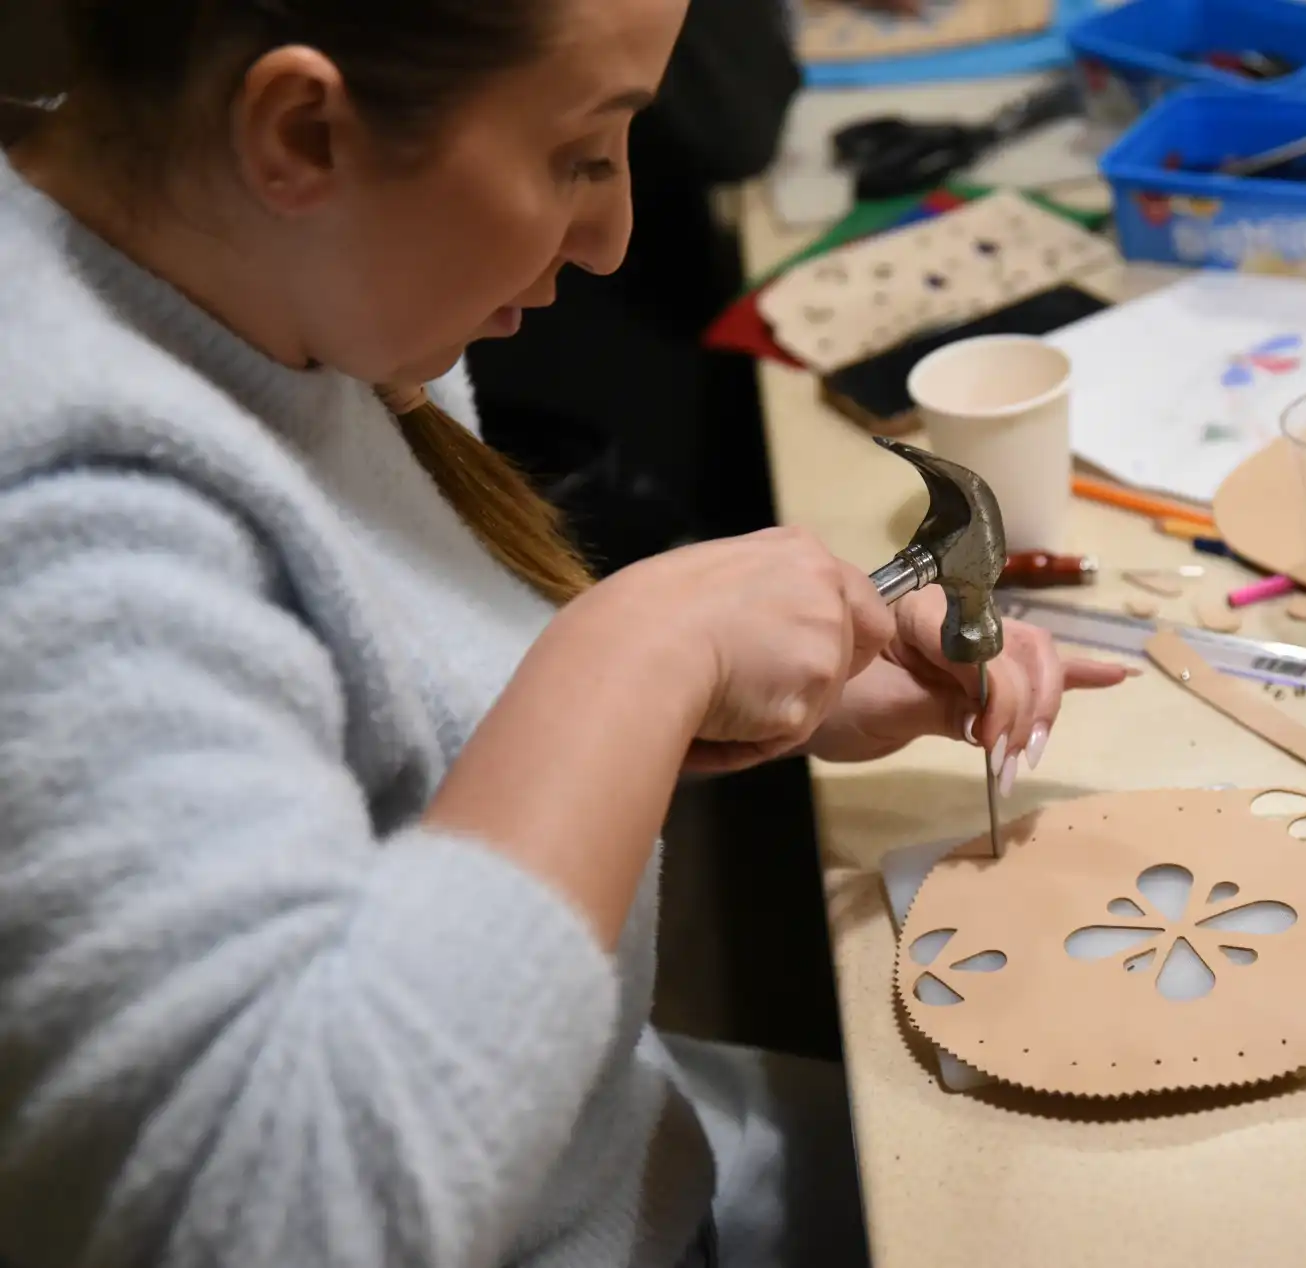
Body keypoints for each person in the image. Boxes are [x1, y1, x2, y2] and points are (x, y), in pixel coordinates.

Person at [0, 2, 1130, 1267]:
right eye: (582, 153)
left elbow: (384, 742)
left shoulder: (267, 277)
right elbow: (280, 1216)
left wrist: (713, 693)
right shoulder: (64, 535)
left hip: (611, 1144)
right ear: (304, 133)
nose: (611, 235)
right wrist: (639, 658)